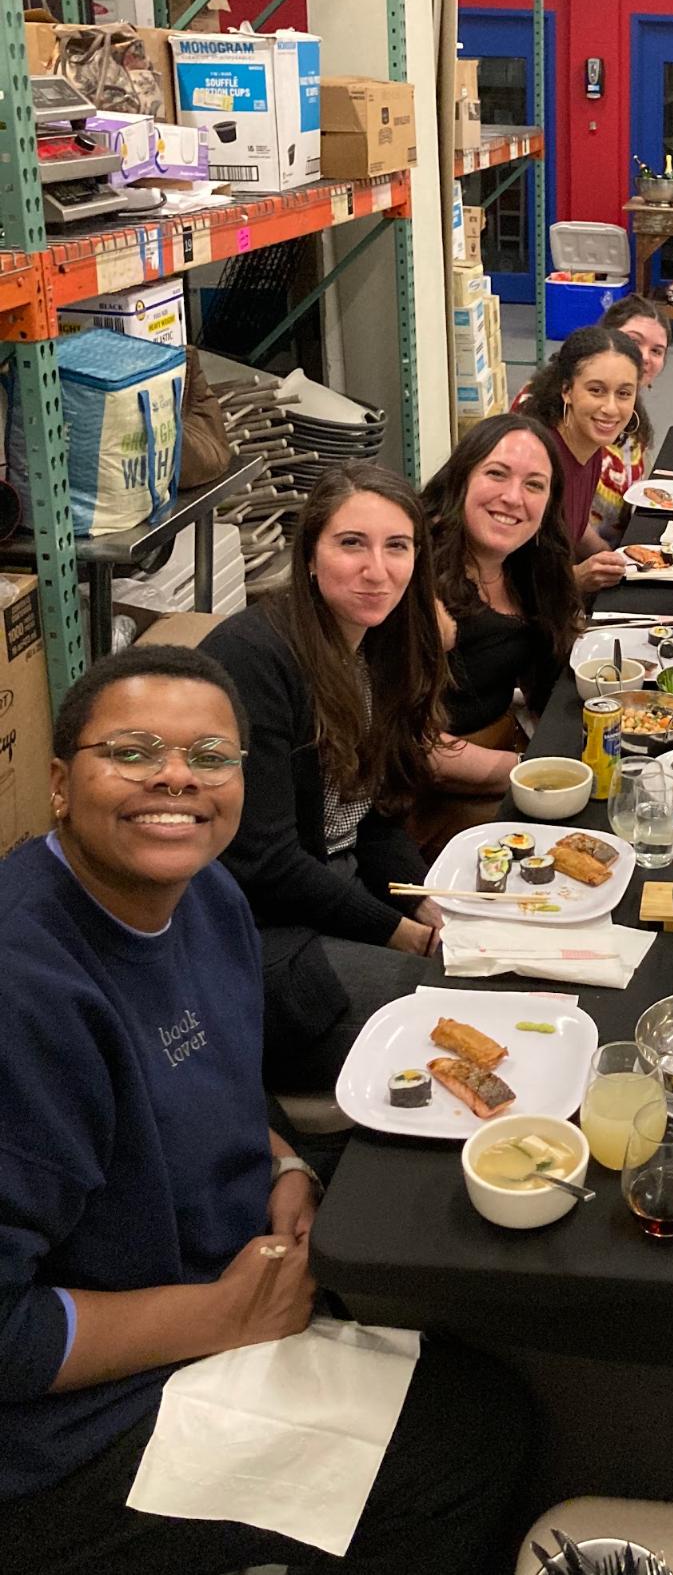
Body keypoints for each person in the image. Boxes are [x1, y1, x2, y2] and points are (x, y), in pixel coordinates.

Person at [0, 644, 523, 1574]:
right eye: (132, 750)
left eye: (210, 756)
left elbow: (216, 1080)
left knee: (467, 1291)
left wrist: (279, 1159)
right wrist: (222, 1320)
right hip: (67, 1435)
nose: (176, 776)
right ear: (59, 783)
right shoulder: (26, 992)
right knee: (467, 1441)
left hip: (228, 1273)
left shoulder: (207, 898)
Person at [203, 464, 449, 1089]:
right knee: (446, 1015)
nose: (377, 569)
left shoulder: (378, 647)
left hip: (336, 896)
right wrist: (399, 932)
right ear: (309, 555)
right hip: (263, 934)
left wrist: (422, 900)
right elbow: (266, 864)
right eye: (351, 544)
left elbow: (378, 817)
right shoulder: (255, 658)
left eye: (397, 547)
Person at [412, 413, 582, 845]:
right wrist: (532, 771)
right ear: (460, 478)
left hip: (498, 759)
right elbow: (413, 746)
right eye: (496, 474)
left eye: (534, 485)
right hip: (425, 801)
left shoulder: (530, 568)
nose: (512, 498)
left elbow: (544, 685)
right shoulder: (416, 578)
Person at [522, 323, 641, 593]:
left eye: (623, 393)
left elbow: (571, 524)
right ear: (567, 391)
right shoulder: (536, 462)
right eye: (596, 390)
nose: (611, 409)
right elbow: (507, 582)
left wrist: (610, 554)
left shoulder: (590, 448)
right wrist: (576, 579)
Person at [591, 295, 671, 546]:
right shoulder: (564, 407)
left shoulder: (633, 414)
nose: (645, 357)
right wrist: (606, 557)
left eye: (656, 351)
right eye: (634, 342)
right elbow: (560, 511)